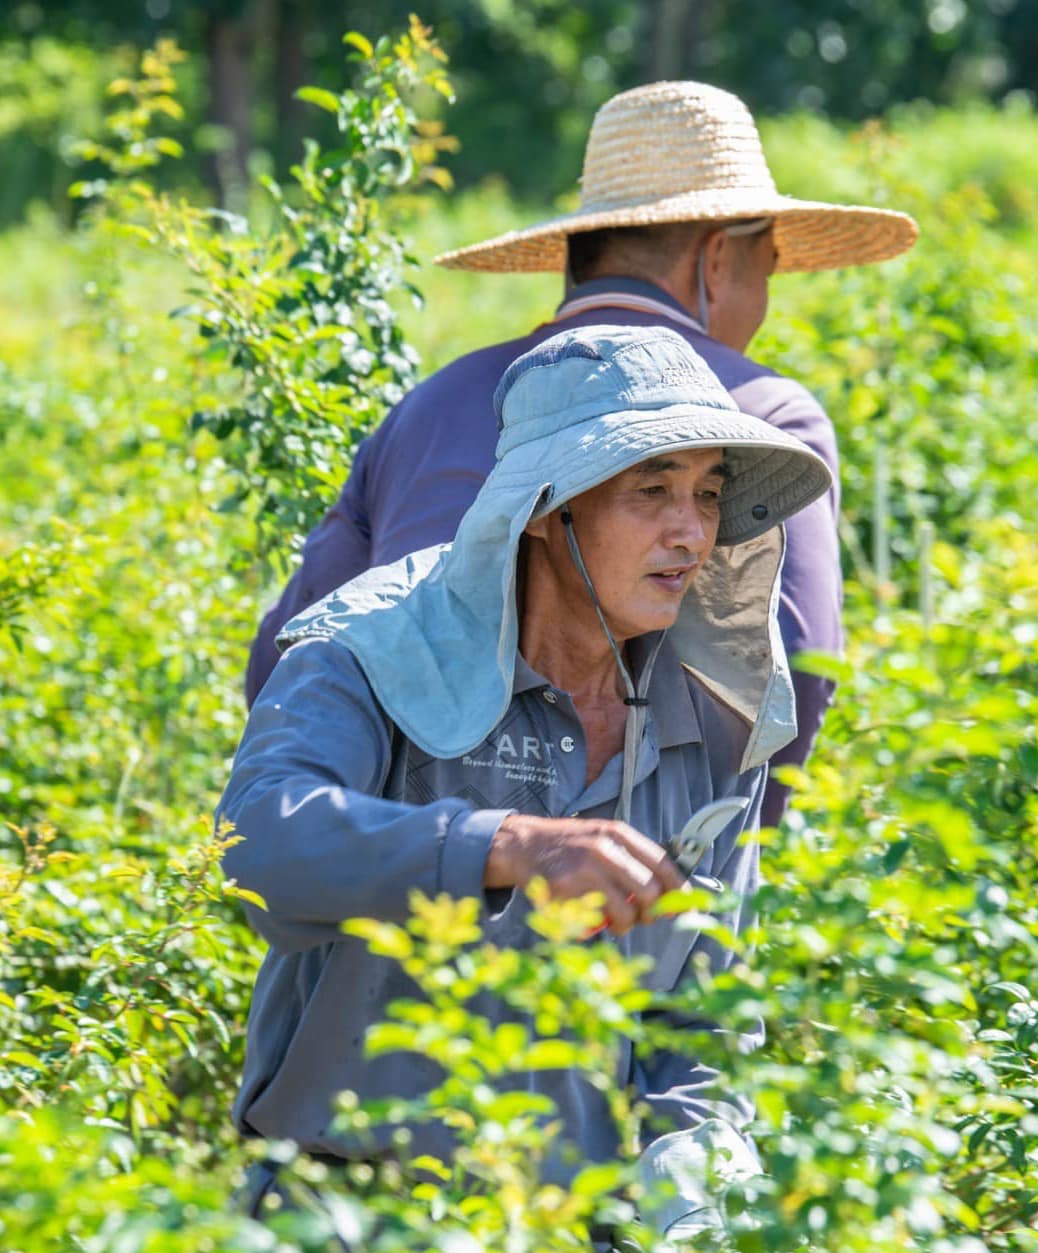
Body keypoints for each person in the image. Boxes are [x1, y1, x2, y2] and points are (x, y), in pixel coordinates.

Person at [220, 324, 832, 1248]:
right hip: (345, 1219)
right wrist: (504, 844)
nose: (691, 530)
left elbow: (698, 1027)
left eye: (708, 494)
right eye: (651, 488)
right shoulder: (374, 648)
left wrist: (695, 1227)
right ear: (546, 507)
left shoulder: (715, 710)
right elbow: (260, 842)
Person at [245, 80, 917, 819]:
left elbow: (290, 653)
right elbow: (793, 666)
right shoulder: (761, 415)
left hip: (388, 855)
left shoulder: (427, 405)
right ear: (718, 260)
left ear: (572, 258)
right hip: (620, 872)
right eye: (770, 265)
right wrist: (708, 852)